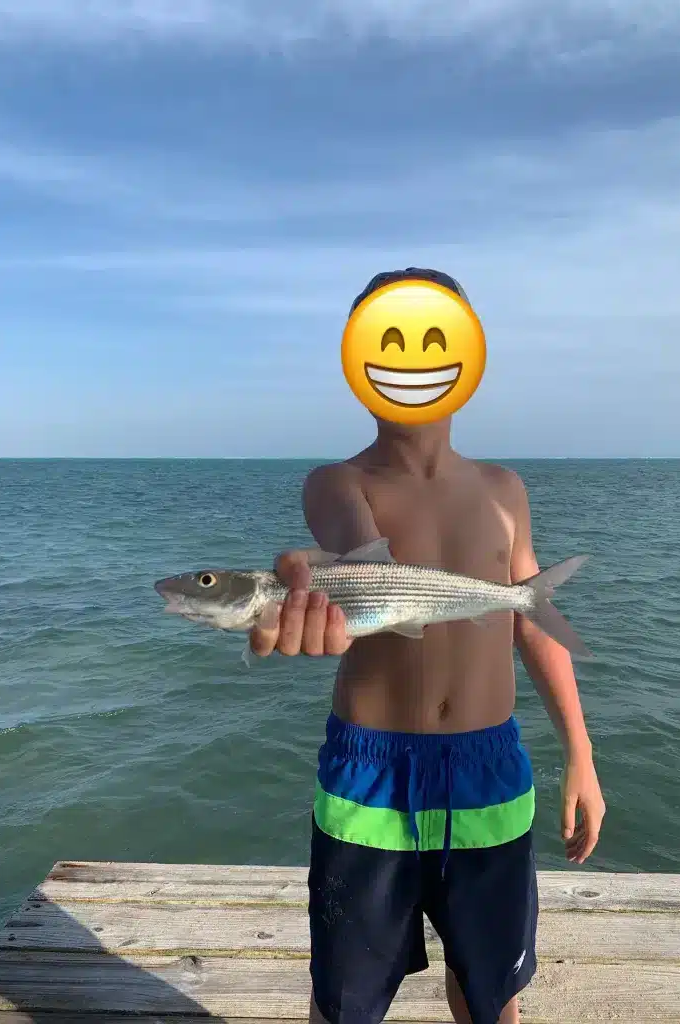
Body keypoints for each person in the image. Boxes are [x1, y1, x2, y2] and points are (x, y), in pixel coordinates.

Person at [249, 268, 606, 1024]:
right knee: (343, 1003)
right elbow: (352, 553)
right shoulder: (337, 481)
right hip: (369, 778)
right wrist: (321, 585)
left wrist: (580, 750)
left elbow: (530, 617)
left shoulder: (506, 489)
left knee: (491, 996)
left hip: (491, 773)